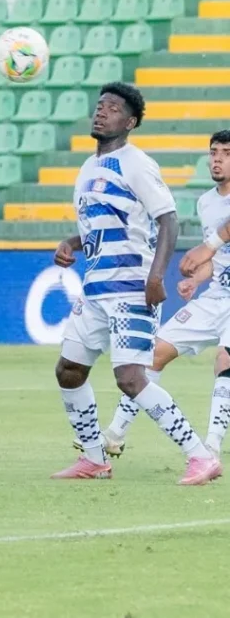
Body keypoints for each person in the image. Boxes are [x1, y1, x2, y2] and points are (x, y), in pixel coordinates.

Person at [51, 83, 220, 485]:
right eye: (99, 106)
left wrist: (156, 275)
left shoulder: (136, 163)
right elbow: (107, 227)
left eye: (112, 108)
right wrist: (72, 243)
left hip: (131, 287)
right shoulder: (88, 168)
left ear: (129, 122)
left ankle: (200, 455)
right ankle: (94, 459)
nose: (101, 112)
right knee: (69, 370)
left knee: (129, 377)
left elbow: (168, 220)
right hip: (95, 288)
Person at [87, 130, 230, 458]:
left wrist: (207, 247)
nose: (218, 158)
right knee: (153, 354)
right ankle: (116, 433)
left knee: (225, 357)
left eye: (226, 152)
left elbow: (214, 244)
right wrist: (197, 279)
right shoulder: (206, 202)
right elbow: (216, 259)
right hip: (219, 296)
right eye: (214, 151)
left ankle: (211, 445)